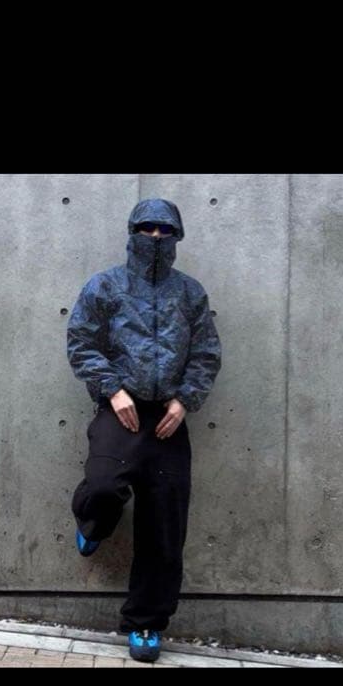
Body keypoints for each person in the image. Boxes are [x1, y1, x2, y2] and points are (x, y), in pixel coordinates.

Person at [66, 197, 222, 662]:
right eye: (148, 228)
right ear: (133, 231)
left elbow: (206, 352)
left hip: (169, 418)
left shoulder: (190, 293)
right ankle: (94, 523)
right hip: (120, 408)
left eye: (165, 229)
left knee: (164, 524)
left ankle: (146, 623)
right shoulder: (105, 286)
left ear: (176, 236)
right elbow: (81, 341)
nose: (156, 236)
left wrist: (185, 399)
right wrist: (113, 390)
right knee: (103, 486)